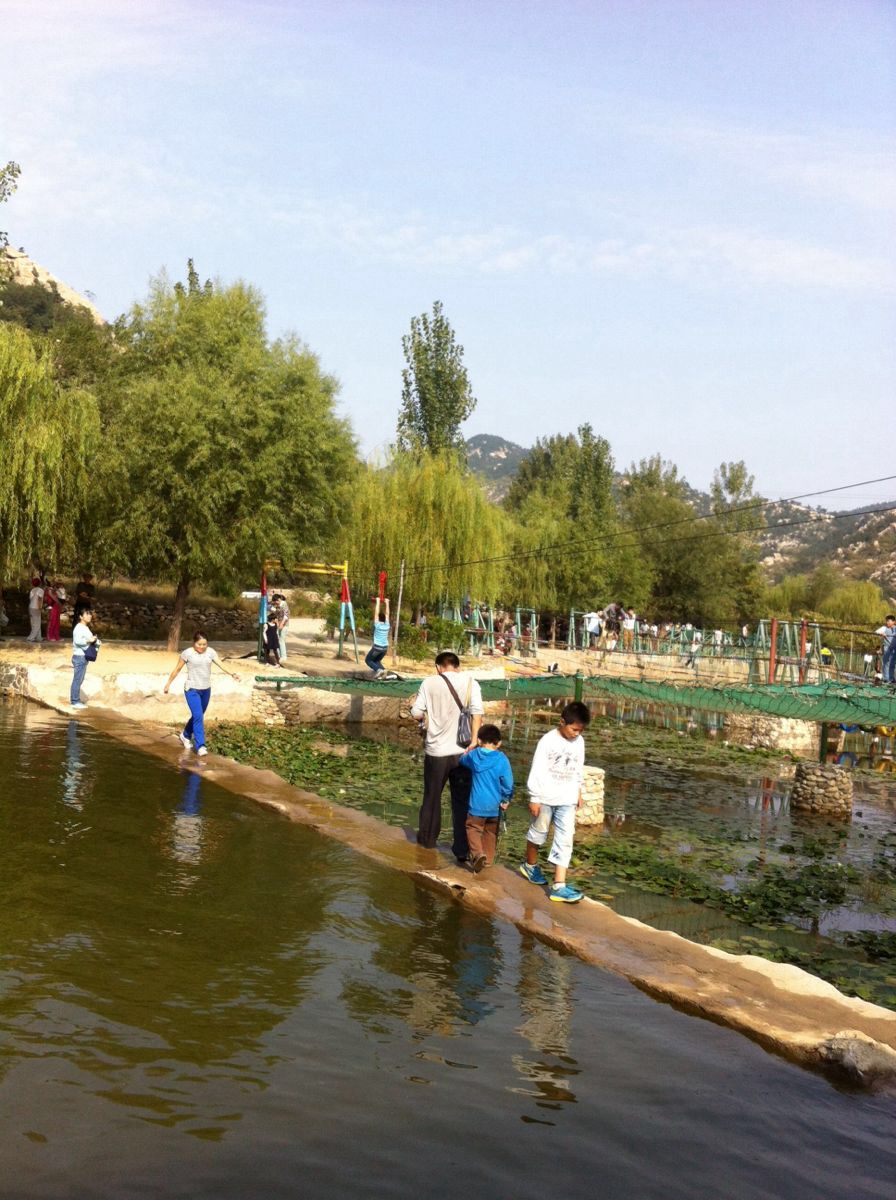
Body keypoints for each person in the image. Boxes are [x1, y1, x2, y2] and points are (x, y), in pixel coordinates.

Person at [411, 651, 484, 861]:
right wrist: (474, 741)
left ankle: (427, 842)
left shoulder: (429, 682)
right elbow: (477, 712)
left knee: (432, 798)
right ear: (457, 666)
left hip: (436, 752)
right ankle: (462, 850)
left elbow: (417, 713)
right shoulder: (471, 682)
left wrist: (416, 710)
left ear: (438, 667)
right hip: (464, 751)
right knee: (461, 801)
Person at [519, 700, 591, 903]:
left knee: (565, 839)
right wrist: (534, 797)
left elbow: (578, 767)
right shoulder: (547, 741)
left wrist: (578, 790)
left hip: (567, 799)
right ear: (562, 722)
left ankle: (559, 885)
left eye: (581, 730)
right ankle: (530, 866)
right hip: (546, 797)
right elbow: (537, 769)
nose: (577, 733)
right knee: (538, 833)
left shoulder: (580, 742)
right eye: (574, 729)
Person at [163, 630, 238, 757]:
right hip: (192, 689)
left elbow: (220, 664)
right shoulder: (187, 653)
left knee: (197, 715)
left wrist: (232, 673)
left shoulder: (211, 652)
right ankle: (201, 746)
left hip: (206, 689)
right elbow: (177, 669)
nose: (202, 647)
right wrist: (168, 684)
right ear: (194, 643)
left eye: (204, 644)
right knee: (198, 716)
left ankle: (185, 735)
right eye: (199, 644)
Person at [458, 724, 514, 873]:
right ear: (499, 743)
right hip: (494, 807)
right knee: (491, 832)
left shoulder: (474, 755)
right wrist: (506, 799)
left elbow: (462, 761)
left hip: (476, 805)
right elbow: (508, 783)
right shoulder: (502, 759)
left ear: (479, 740)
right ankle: (488, 860)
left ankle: (477, 855)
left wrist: (469, 750)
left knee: (473, 829)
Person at [70, 606, 99, 709]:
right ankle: (75, 701)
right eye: (87, 614)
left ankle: (76, 699)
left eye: (90, 614)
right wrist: (89, 641)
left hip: (83, 657)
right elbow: (77, 641)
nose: (89, 616)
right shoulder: (79, 627)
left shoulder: (85, 627)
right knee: (77, 680)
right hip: (79, 656)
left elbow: (88, 639)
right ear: (81, 616)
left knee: (79, 679)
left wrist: (95, 640)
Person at [365, 596, 390, 675]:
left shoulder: (377, 625)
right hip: (385, 648)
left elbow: (376, 613)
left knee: (368, 660)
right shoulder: (387, 625)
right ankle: (384, 671)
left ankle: (378, 670)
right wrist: (387, 603)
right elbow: (387, 614)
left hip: (377, 648)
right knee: (377, 661)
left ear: (378, 619)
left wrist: (378, 601)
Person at [876, 615, 896, 685]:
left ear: (894, 622)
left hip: (894, 648)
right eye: (887, 621)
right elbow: (877, 632)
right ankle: (886, 678)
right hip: (887, 647)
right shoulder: (884, 628)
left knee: (892, 664)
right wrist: (882, 633)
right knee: (886, 663)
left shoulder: (895, 628)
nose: (887, 622)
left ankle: (891, 678)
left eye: (889, 621)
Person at [25, 577, 44, 642]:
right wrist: (40, 608)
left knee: (33, 623)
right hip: (36, 608)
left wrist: (28, 609)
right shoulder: (40, 590)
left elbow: (30, 600)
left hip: (31, 607)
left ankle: (39, 638)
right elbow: (39, 599)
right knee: (37, 624)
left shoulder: (32, 590)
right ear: (39, 583)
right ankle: (30, 638)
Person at [273, 592, 290, 663]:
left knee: (281, 640)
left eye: (276, 601)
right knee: (277, 640)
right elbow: (276, 614)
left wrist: (282, 624)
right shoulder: (278, 606)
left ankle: (284, 656)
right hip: (278, 624)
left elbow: (286, 616)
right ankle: (279, 655)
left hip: (284, 625)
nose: (276, 603)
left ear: (279, 599)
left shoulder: (284, 605)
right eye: (275, 602)